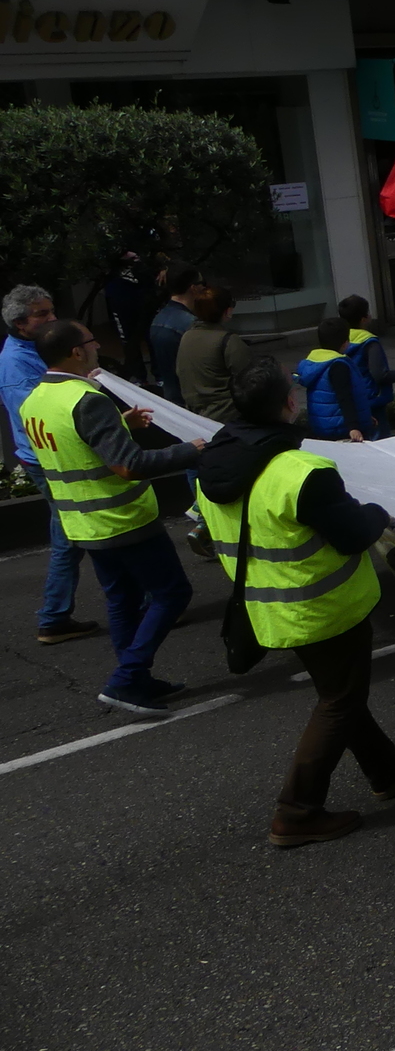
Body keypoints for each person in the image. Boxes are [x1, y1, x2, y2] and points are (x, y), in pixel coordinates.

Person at [196, 357, 395, 844]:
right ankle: (296, 811)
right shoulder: (302, 472)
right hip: (324, 607)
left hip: (271, 607)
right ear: (289, 402)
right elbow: (352, 535)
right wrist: (377, 512)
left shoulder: (214, 464)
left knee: (339, 694)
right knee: (340, 701)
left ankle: (386, 769)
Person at [20, 319, 200, 716]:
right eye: (91, 341)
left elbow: (74, 446)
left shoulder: (35, 400)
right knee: (172, 594)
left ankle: (135, 681)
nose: (97, 346)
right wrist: (191, 450)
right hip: (123, 519)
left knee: (122, 600)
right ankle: (126, 677)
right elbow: (128, 465)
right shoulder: (88, 400)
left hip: (83, 523)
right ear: (76, 352)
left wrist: (121, 424)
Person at [2, 285, 97, 645]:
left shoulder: (31, 349)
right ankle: (54, 617)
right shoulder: (17, 366)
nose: (52, 318)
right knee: (81, 532)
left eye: (51, 310)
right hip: (50, 458)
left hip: (49, 455)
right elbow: (41, 415)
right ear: (20, 323)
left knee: (72, 534)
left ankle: (55, 617)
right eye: (42, 314)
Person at [177, 286, 260, 423]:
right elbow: (251, 381)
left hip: (196, 415)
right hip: (228, 416)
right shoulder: (228, 341)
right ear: (227, 311)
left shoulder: (187, 336)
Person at [294, 316, 372, 442]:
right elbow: (345, 397)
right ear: (345, 343)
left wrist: (365, 417)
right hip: (342, 429)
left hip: (322, 427)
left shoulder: (314, 363)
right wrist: (353, 427)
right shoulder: (338, 365)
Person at [338, 295, 395, 435]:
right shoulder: (369, 342)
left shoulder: (339, 340)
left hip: (350, 399)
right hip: (372, 398)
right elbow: (380, 374)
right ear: (364, 319)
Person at [148, 261, 203, 405]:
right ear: (193, 288)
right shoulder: (191, 324)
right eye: (202, 283)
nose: (204, 288)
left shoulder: (157, 320)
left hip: (170, 396)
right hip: (190, 399)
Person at [101, 250, 153, 383]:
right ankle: (139, 378)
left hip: (145, 307)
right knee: (129, 342)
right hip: (122, 307)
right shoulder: (113, 272)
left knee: (151, 339)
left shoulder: (143, 264)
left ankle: (159, 376)